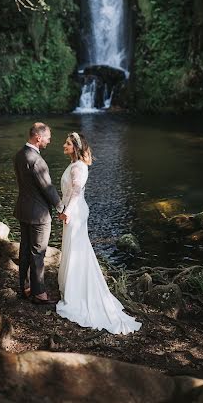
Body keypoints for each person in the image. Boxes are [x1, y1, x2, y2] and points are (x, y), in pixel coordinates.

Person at [56, 131, 142, 334]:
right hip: (71, 211)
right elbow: (67, 193)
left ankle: (78, 293)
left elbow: (76, 193)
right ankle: (71, 287)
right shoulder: (73, 165)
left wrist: (67, 211)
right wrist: (60, 207)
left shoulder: (79, 167)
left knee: (77, 251)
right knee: (73, 249)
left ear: (75, 147)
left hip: (75, 213)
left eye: (67, 143)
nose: (64, 145)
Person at [14, 122, 66, 305]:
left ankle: (24, 288)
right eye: (48, 138)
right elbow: (48, 188)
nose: (49, 141)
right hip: (39, 215)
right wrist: (61, 208)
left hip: (23, 209)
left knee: (25, 250)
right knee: (38, 253)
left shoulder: (19, 155)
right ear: (38, 137)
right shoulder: (36, 160)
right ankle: (39, 294)